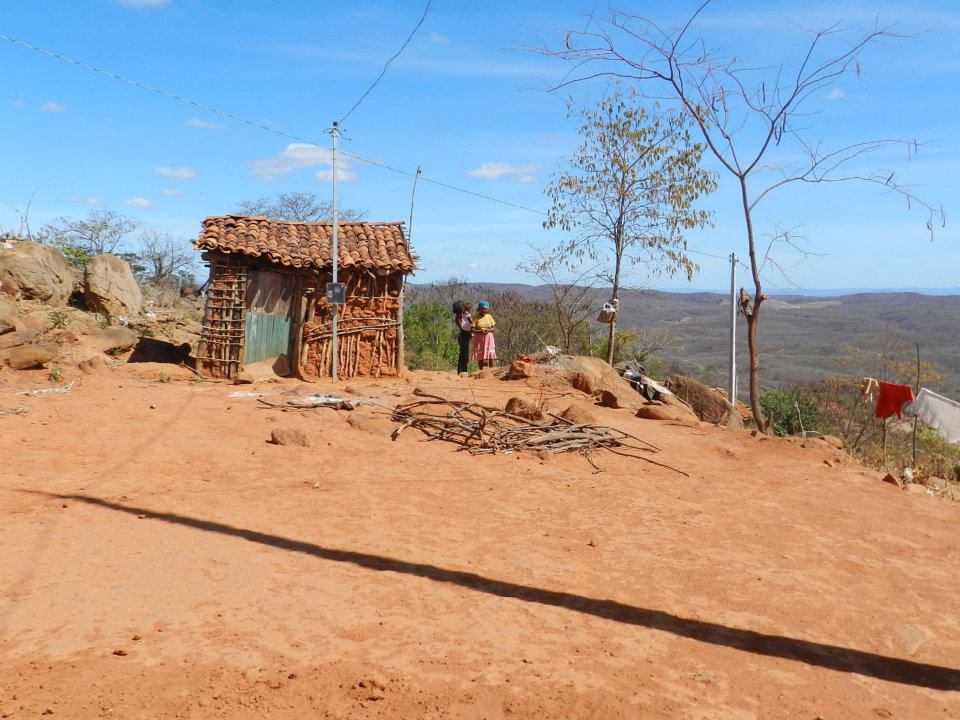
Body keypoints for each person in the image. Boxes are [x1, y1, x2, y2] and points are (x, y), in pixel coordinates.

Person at [471, 300, 497, 369]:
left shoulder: (489, 316)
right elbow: (472, 329)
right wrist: (480, 331)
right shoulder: (476, 317)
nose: (484, 310)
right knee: (480, 355)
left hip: (488, 337)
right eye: (482, 309)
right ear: (479, 309)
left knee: (490, 354)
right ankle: (481, 370)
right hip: (479, 338)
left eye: (485, 309)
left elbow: (493, 328)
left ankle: (491, 370)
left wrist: (488, 330)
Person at [452, 301, 473, 375]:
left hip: (465, 335)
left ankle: (461, 370)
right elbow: (462, 327)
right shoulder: (458, 317)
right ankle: (463, 371)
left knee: (464, 354)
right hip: (463, 335)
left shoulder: (465, 314)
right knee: (464, 354)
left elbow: (471, 323)